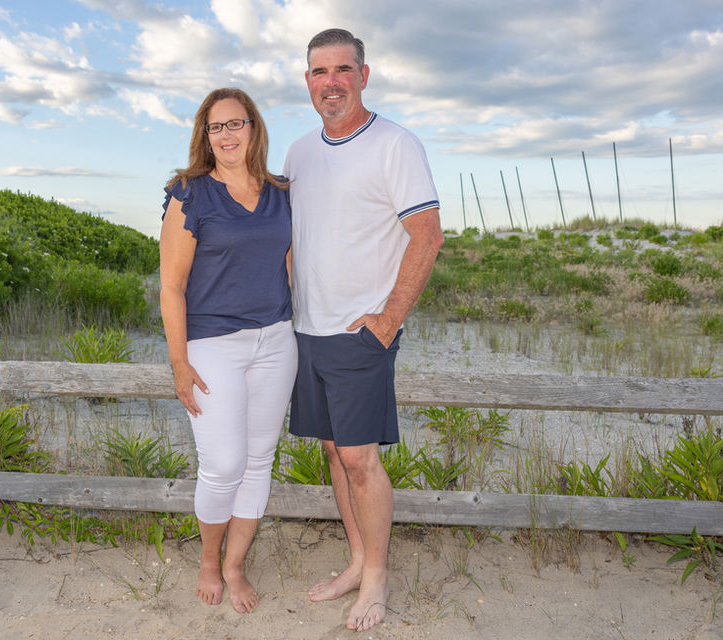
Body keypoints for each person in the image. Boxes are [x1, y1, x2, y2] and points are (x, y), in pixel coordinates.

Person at [284, 29, 443, 632]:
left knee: (359, 458)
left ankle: (375, 578)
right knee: (332, 451)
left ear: (364, 75)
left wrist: (386, 321)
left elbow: (427, 237)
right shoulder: (299, 152)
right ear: (307, 82)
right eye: (319, 72)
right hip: (309, 328)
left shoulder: (395, 144)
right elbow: (299, 237)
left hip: (360, 333)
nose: (331, 82)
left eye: (342, 70)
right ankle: (355, 560)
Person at [159, 87, 296, 614]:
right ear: (205, 136)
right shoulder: (189, 193)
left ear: (254, 129)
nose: (227, 135)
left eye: (236, 124)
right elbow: (171, 285)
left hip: (276, 341)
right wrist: (179, 362)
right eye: (217, 127)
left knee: (260, 459)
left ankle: (236, 565)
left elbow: (288, 268)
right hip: (213, 343)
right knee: (223, 463)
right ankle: (209, 561)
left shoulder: (281, 192)